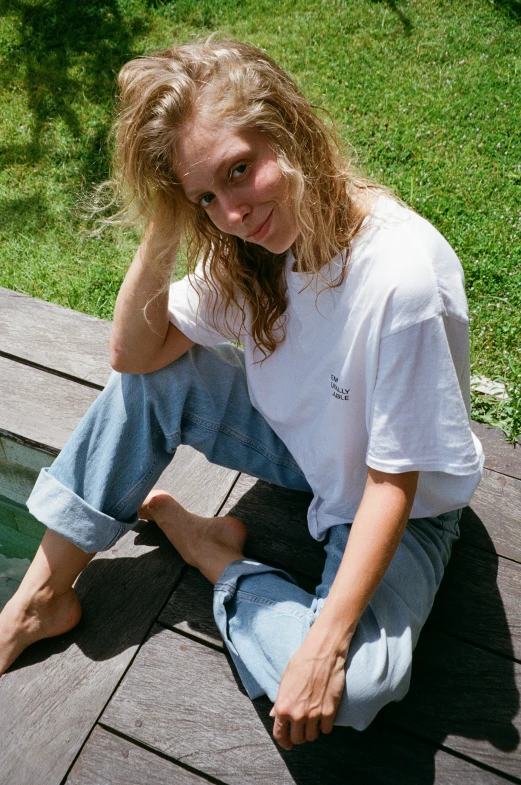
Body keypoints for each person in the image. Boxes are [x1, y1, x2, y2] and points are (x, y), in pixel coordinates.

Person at [0, 37, 483, 750]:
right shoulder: (254, 247)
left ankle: (214, 553)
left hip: (404, 504)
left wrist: (322, 645)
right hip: (310, 449)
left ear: (287, 129)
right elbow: (135, 355)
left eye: (240, 170)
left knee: (351, 690)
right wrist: (166, 223)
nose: (231, 214)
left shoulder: (399, 277)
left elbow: (391, 483)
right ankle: (38, 597)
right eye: (204, 196)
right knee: (156, 381)